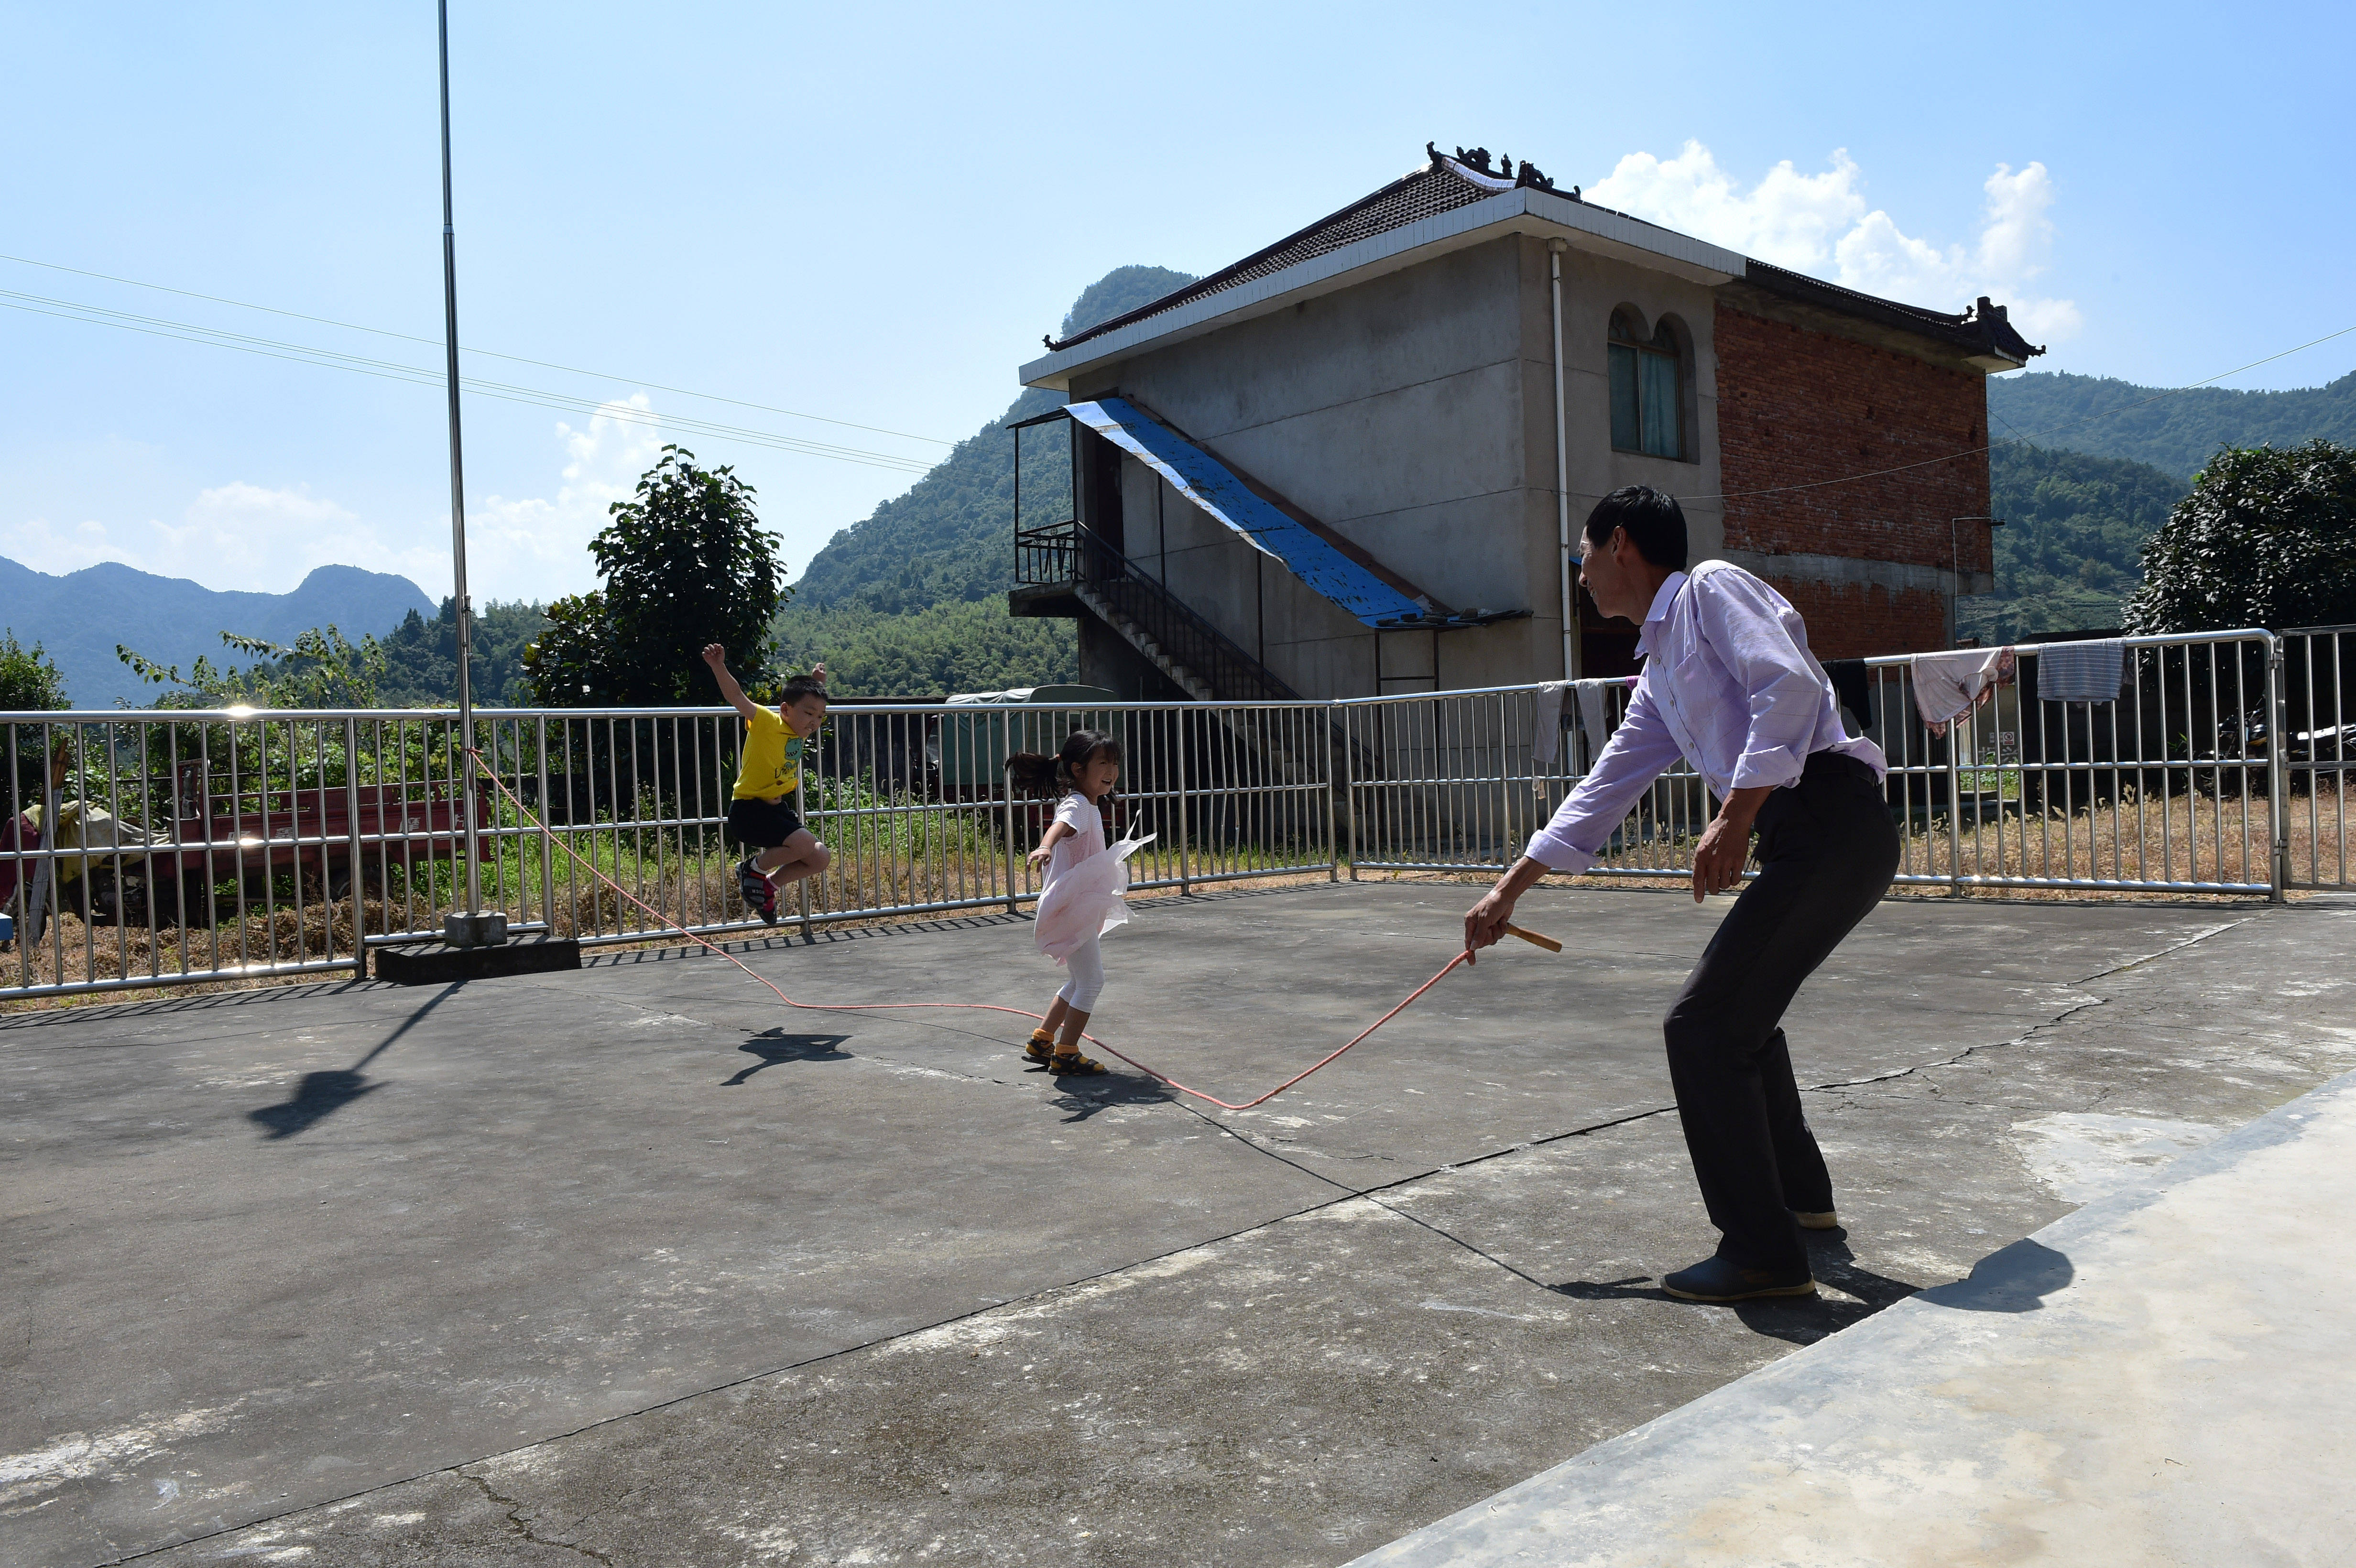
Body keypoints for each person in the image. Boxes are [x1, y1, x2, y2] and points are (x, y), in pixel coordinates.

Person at [1462, 486, 1900, 1304]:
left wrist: (1733, 815)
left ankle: (1760, 1254)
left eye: (1582, 556)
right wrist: (1506, 892)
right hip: (1811, 835)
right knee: (1738, 1016)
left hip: (1831, 820)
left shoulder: (1708, 591)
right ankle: (1799, 1205)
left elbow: (1791, 689)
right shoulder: (1660, 668)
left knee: (1699, 1029)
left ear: (1618, 543)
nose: (1580, 574)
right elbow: (1604, 788)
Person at [1006, 730, 1133, 1076]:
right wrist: (1046, 845)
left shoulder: (1089, 803)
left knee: (1080, 979)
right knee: (1093, 981)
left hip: (1077, 904)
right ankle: (1067, 1053)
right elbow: (1060, 825)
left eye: (1115, 763)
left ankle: (1043, 1039)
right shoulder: (1077, 804)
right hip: (1073, 907)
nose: (1112, 770)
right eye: (1103, 763)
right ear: (1078, 769)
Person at [702, 644, 830, 927]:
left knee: (820, 857)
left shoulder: (799, 730)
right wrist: (718, 666)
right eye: (809, 714)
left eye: (820, 717)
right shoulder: (766, 722)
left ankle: (766, 886)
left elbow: (809, 702)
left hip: (776, 810)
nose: (815, 722)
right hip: (749, 810)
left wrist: (817, 683)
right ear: (785, 709)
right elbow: (736, 696)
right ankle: (751, 870)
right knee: (805, 843)